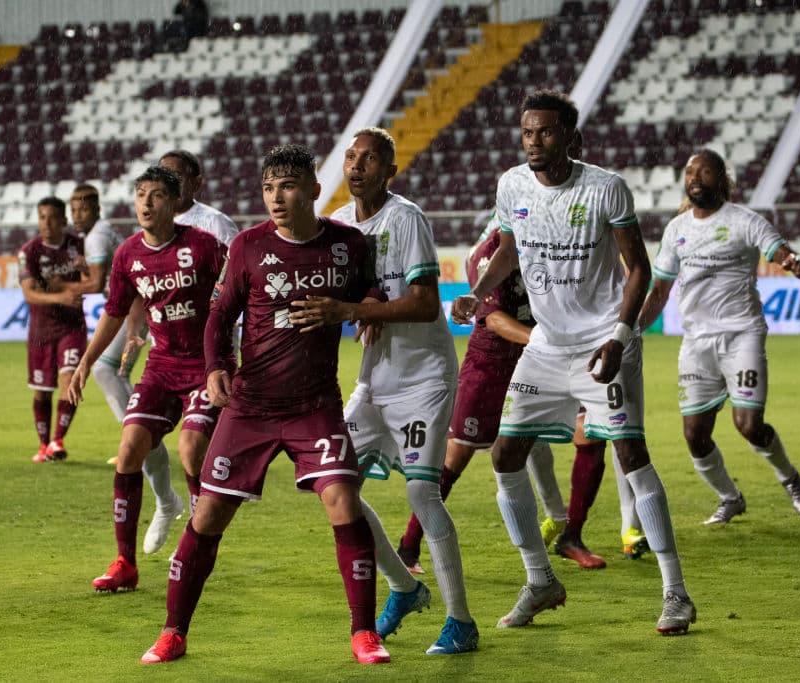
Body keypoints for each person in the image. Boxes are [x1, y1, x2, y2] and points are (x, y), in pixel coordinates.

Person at [452, 89, 696, 635]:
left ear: (571, 137)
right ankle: (540, 581)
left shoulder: (606, 189)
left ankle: (675, 592)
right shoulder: (512, 185)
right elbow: (508, 251)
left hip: (602, 344)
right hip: (546, 345)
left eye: (545, 132)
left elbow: (638, 268)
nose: (534, 142)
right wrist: (479, 291)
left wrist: (620, 335)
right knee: (506, 455)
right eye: (527, 132)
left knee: (631, 455)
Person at [139, 144, 391, 666]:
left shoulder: (348, 244)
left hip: (314, 404)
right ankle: (173, 631)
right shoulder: (249, 246)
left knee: (343, 501)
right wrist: (215, 367)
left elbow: (371, 292)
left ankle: (364, 632)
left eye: (289, 186)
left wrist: (366, 309)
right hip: (250, 405)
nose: (277, 197)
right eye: (269, 188)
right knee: (207, 515)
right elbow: (218, 315)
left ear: (315, 191)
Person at [300, 127, 478, 655]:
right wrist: (365, 303)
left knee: (421, 492)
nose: (356, 166)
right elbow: (355, 290)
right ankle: (404, 587)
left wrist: (358, 310)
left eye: (369, 159)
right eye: (351, 157)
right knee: (337, 484)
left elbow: (426, 303)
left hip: (423, 377)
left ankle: (461, 622)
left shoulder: (406, 219)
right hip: (374, 380)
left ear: (390, 170)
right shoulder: (338, 226)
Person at [394, 215, 608, 573]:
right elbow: (492, 319)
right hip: (493, 361)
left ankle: (571, 534)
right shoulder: (491, 252)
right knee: (456, 456)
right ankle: (408, 547)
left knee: (590, 432)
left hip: (549, 357)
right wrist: (544, 341)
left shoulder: (555, 238)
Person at [67, 166, 226, 593]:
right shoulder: (127, 254)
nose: (146, 203)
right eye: (140, 194)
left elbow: (238, 293)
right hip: (161, 366)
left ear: (174, 203)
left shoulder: (206, 246)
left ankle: (197, 541)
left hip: (203, 367)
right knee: (129, 449)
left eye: (156, 195)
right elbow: (115, 311)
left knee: (192, 450)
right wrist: (86, 361)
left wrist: (231, 357)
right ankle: (125, 563)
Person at [639, 149, 800, 525]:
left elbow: (779, 251)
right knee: (694, 436)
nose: (695, 179)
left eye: (704, 172)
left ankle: (790, 478)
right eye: (689, 173)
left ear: (722, 179)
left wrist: (793, 262)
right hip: (696, 343)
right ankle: (729, 497)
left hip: (741, 336)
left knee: (749, 425)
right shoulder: (677, 230)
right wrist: (631, 329)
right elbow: (659, 292)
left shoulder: (745, 221)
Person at [68, 184, 184, 554]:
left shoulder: (99, 237)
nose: (78, 214)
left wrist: (61, 286)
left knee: (107, 370)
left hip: (152, 317)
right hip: (142, 312)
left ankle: (139, 432)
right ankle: (140, 434)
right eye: (75, 207)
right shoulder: (116, 240)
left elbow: (108, 284)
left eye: (83, 207)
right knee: (108, 372)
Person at [19, 196, 86, 463]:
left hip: (72, 327)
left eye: (51, 217)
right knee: (42, 390)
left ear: (63, 220)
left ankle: (58, 441)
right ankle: (43, 444)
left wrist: (73, 283)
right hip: (41, 331)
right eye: (41, 217)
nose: (45, 223)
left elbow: (93, 278)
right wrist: (61, 294)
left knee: (69, 381)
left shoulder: (77, 246)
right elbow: (29, 294)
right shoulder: (29, 251)